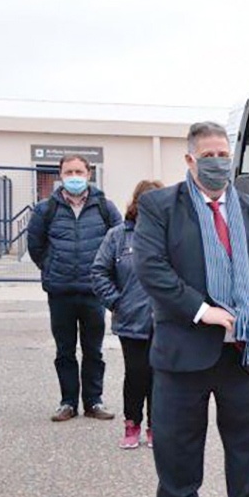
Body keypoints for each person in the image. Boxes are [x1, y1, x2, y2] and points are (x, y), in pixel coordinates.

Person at [134, 121, 249, 497]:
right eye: (209, 156)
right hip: (185, 347)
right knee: (178, 440)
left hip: (241, 349)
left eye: (224, 155)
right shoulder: (160, 206)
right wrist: (206, 312)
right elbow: (152, 270)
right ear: (190, 160)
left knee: (246, 439)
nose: (219, 163)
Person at [27, 154, 122, 422]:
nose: (74, 177)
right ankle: (68, 402)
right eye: (69, 172)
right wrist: (50, 266)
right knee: (64, 350)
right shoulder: (46, 209)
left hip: (94, 292)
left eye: (79, 171)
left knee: (94, 350)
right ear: (60, 175)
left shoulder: (104, 206)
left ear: (89, 174)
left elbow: (119, 241)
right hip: (61, 292)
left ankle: (94, 401)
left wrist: (108, 277)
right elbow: (36, 246)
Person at [91, 179, 163, 449]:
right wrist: (116, 302)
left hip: (164, 321)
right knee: (136, 374)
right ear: (137, 204)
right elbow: (99, 272)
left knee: (160, 375)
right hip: (131, 320)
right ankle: (131, 424)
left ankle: (156, 427)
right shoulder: (118, 236)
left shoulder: (171, 236)